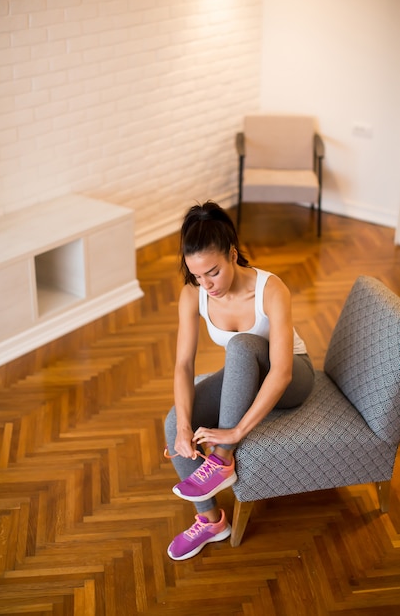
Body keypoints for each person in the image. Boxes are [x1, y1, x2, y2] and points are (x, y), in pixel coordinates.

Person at [164, 201, 315, 560]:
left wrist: (232, 435)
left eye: (212, 272)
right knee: (173, 422)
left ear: (232, 253)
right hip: (245, 372)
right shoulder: (193, 294)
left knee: (244, 344)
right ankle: (212, 520)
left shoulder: (270, 289)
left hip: (292, 377)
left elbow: (281, 371)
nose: (206, 284)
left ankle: (222, 460)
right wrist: (185, 426)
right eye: (197, 275)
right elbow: (184, 364)